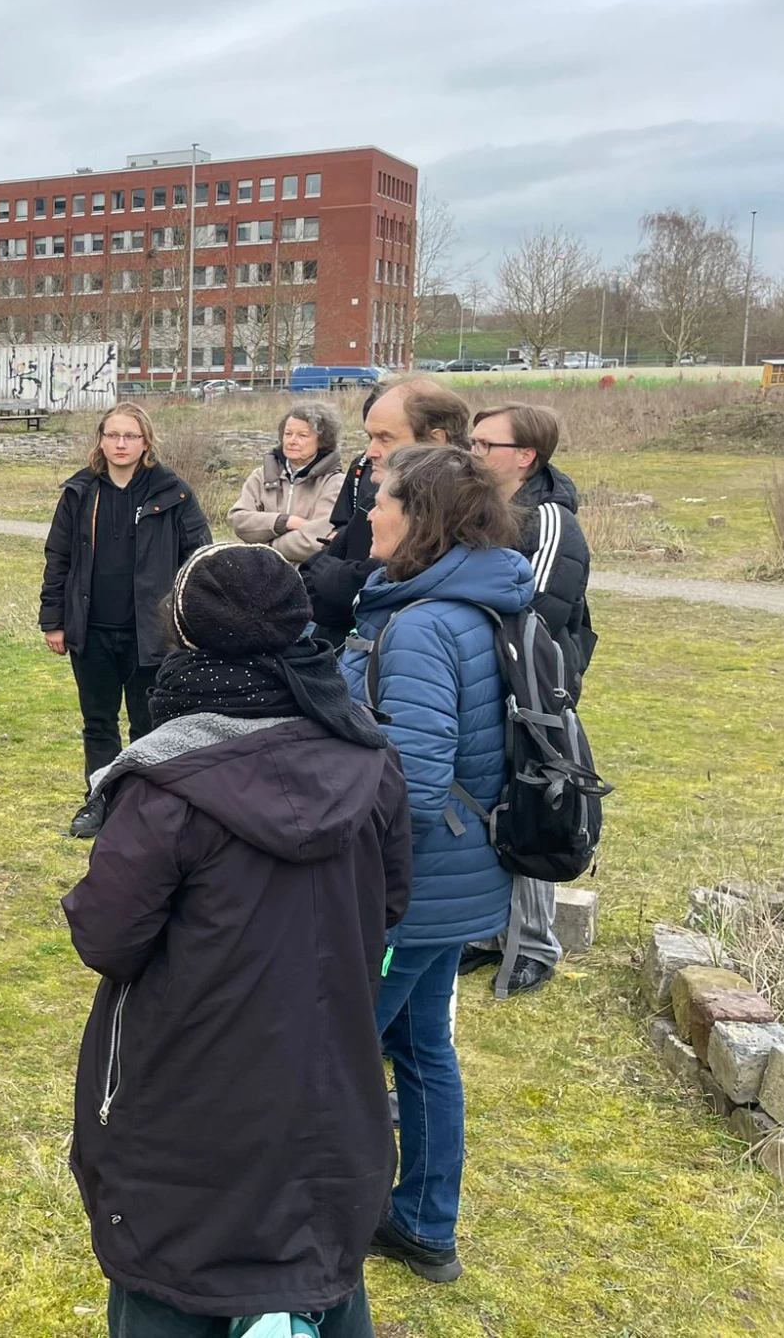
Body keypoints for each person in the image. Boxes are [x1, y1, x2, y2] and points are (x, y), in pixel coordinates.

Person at [65, 543, 410, 1338]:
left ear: (184, 639)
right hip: (334, 1094)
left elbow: (108, 936)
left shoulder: (165, 787)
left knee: (172, 1293)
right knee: (317, 1275)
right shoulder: (370, 758)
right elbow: (390, 903)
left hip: (190, 1110)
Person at [339, 444, 531, 1285]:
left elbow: (410, 786)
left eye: (382, 501)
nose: (370, 514)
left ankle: (307, 1215)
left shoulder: (421, 626)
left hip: (414, 888)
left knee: (334, 1052)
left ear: (421, 519)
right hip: (468, 874)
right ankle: (423, 1224)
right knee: (424, 1054)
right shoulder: (484, 600)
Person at [459, 402, 596, 999]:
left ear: (524, 456)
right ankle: (489, 934)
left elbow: (533, 613)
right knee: (488, 802)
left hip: (532, 689)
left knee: (534, 799)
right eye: (472, 442)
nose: (474, 453)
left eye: (486, 445)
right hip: (483, 676)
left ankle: (537, 943)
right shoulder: (483, 505)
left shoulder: (550, 521)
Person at [39, 402, 212, 840]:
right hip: (92, 630)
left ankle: (145, 806)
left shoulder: (173, 492)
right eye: (112, 435)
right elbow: (58, 559)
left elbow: (198, 558)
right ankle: (98, 800)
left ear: (145, 441)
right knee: (98, 723)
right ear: (100, 439)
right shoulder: (80, 492)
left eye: (130, 436)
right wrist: (53, 620)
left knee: (147, 723)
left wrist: (189, 624)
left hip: (151, 635)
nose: (120, 444)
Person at [301, 378, 471, 643]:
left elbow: (375, 595)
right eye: (370, 437)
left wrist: (342, 579)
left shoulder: (472, 516)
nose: (370, 453)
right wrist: (347, 579)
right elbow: (311, 584)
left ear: (436, 440)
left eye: (384, 438)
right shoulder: (374, 500)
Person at [227, 401, 345, 562]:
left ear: (322, 441)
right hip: (260, 573)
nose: (292, 441)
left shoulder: (334, 483)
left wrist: (264, 548)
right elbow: (239, 520)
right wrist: (284, 522)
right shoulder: (261, 476)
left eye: (302, 435)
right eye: (288, 434)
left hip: (306, 577)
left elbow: (318, 540)